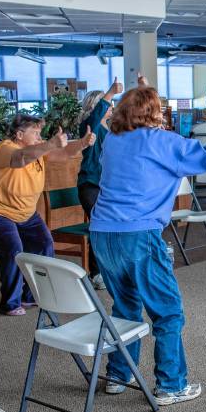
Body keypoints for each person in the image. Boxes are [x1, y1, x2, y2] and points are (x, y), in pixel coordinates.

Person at [88, 78, 206, 405]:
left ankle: (118, 374)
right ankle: (171, 384)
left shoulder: (113, 141)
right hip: (139, 235)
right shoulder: (163, 141)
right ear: (155, 114)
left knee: (125, 306)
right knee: (168, 312)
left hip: (102, 233)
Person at [0, 114, 95, 316]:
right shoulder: (5, 148)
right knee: (14, 249)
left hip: (24, 211)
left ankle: (31, 296)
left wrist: (82, 143)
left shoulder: (38, 149)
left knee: (44, 245)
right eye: (35, 133)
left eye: (40, 133)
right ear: (19, 134)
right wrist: (49, 144)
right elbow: (20, 159)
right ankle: (10, 302)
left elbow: (62, 154)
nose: (39, 136)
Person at [76, 77, 124, 288]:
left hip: (107, 186)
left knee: (111, 226)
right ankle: (96, 273)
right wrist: (111, 91)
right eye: (108, 104)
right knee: (101, 225)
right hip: (90, 185)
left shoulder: (111, 130)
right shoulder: (89, 127)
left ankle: (109, 269)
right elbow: (95, 117)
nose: (111, 107)